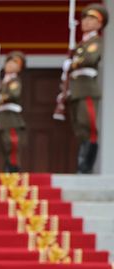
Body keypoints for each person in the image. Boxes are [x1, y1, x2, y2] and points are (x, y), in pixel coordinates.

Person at [67, 4, 106, 174]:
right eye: (84, 18)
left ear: (100, 24)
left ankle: (86, 165)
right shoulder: (81, 44)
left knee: (88, 125)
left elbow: (90, 59)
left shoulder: (95, 42)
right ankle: (82, 163)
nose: (86, 22)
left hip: (87, 89)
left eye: (91, 19)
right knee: (79, 128)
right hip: (76, 90)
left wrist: (73, 63)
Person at [0, 51, 27, 173]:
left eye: (15, 63)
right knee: (3, 144)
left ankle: (13, 168)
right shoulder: (4, 82)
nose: (11, 65)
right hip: (2, 117)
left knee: (11, 143)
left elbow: (14, 94)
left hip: (10, 118)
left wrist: (0, 98)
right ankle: (8, 166)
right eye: (9, 62)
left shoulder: (14, 81)